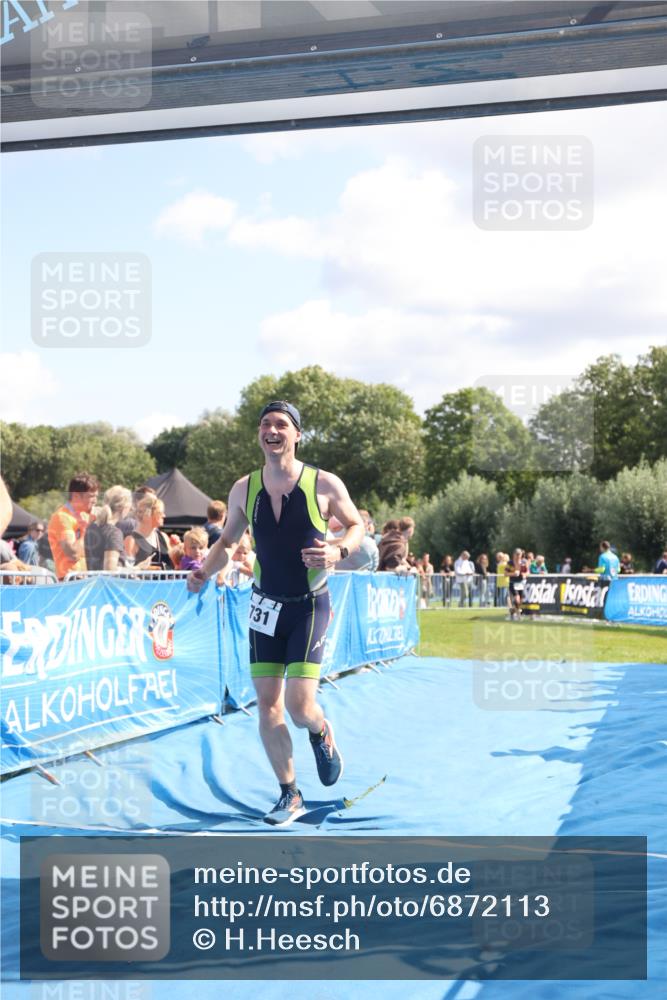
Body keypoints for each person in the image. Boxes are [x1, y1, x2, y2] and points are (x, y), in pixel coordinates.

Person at [187, 400, 365, 827]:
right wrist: (203, 574)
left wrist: (338, 549)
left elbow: (356, 526)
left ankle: (321, 733)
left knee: (302, 707)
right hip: (264, 604)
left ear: (297, 434)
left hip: (309, 605)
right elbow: (228, 542)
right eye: (265, 424)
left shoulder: (324, 483)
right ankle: (289, 793)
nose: (271, 430)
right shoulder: (243, 488)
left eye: (281, 424)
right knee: (268, 705)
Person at [47, 473, 99, 579]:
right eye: (91, 496)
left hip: (86, 579)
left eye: (96, 496)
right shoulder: (62, 517)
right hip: (70, 581)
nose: (95, 501)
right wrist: (88, 528)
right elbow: (72, 553)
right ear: (75, 496)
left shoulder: (85, 515)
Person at [84, 486, 134, 571]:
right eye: (129, 506)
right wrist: (136, 569)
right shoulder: (114, 533)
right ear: (123, 508)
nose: (131, 509)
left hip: (95, 582)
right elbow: (110, 569)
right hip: (112, 583)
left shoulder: (91, 528)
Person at [126, 495, 174, 569]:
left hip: (166, 580)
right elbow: (127, 572)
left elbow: (174, 563)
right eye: (160, 513)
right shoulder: (131, 541)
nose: (164, 516)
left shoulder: (163, 537)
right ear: (148, 515)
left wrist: (178, 549)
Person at [507, 547, 529, 620]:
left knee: (521, 601)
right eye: (517, 554)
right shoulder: (510, 563)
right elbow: (505, 573)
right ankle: (519, 615)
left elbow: (528, 572)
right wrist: (513, 574)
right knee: (517, 599)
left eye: (519, 554)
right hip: (513, 583)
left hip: (521, 583)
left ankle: (512, 611)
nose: (518, 556)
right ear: (514, 555)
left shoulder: (524, 562)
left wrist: (525, 574)